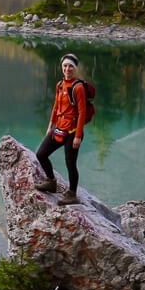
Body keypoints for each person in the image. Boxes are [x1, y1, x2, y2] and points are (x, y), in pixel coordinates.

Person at [34, 52, 86, 205]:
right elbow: (56, 107)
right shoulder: (60, 85)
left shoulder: (78, 88)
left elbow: (82, 112)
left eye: (70, 66)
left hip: (72, 132)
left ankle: (72, 194)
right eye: (65, 66)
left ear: (74, 68)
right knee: (41, 154)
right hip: (59, 129)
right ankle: (51, 181)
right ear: (61, 67)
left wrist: (77, 136)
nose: (67, 69)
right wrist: (51, 125)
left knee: (70, 163)